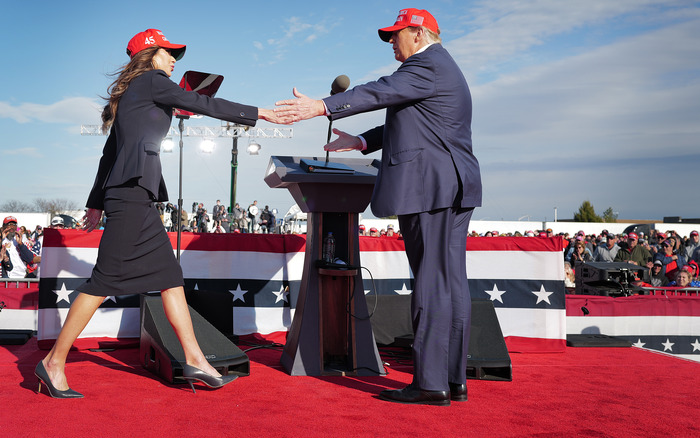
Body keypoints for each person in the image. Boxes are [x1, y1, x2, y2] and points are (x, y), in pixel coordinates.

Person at [36, 28, 284, 399]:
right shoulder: (152, 81)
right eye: (169, 53)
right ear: (149, 54)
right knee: (103, 282)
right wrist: (259, 113)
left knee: (170, 277)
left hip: (135, 195)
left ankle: (195, 358)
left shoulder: (137, 92)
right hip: (132, 194)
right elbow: (206, 104)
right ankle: (54, 362)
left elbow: (109, 154)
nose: (173, 59)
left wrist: (95, 201)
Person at [275, 8, 482, 406]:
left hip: (431, 189)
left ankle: (430, 384)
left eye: (396, 34)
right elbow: (412, 120)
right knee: (450, 283)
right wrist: (362, 142)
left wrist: (323, 105)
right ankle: (452, 379)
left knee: (433, 282)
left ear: (419, 34)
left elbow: (379, 91)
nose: (391, 42)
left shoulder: (427, 65)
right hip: (451, 186)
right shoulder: (439, 69)